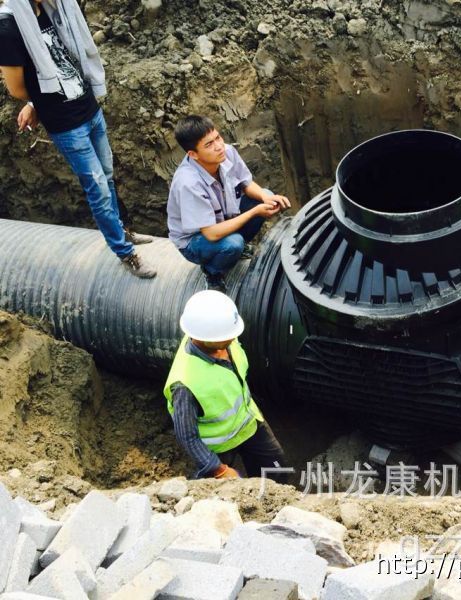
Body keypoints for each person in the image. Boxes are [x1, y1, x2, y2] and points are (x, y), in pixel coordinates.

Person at [0, 0, 156, 278]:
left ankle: (123, 231)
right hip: (66, 124)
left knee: (107, 176)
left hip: (88, 106)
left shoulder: (52, 8)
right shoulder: (8, 25)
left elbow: (66, 58)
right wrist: (41, 103)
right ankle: (125, 254)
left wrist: (35, 105)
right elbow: (16, 88)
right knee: (97, 187)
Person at [164, 290, 286, 480]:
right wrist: (218, 469)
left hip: (247, 424)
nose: (233, 337)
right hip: (218, 446)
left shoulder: (226, 339)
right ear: (207, 337)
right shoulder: (184, 384)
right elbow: (188, 436)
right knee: (219, 496)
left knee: (277, 471)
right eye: (227, 335)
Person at [167, 115, 291, 293]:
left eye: (217, 138)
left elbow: (246, 184)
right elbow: (211, 233)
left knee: (267, 195)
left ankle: (235, 250)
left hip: (224, 218)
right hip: (195, 241)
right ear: (193, 154)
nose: (218, 146)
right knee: (233, 244)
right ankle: (213, 273)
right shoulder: (188, 183)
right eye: (208, 144)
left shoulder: (226, 152)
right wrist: (254, 212)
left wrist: (265, 199)